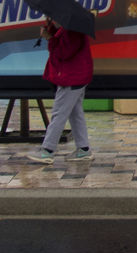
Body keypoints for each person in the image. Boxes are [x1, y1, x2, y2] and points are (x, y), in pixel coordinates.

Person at [27, 17, 94, 164]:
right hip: (76, 76)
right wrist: (52, 32)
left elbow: (62, 53)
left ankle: (47, 150)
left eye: (52, 17)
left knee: (59, 113)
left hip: (71, 77)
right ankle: (83, 149)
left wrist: (50, 38)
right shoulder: (68, 29)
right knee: (75, 114)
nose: (51, 19)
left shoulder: (72, 31)